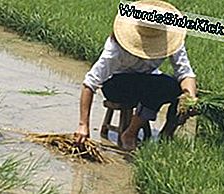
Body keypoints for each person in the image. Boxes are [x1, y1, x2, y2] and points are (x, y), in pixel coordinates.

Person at [74, 0, 198, 151]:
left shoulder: (169, 38)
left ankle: (166, 136)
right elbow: (90, 83)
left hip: (148, 82)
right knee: (160, 85)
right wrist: (83, 125)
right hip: (117, 85)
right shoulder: (116, 49)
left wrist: (190, 97)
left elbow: (185, 72)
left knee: (176, 89)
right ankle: (130, 134)